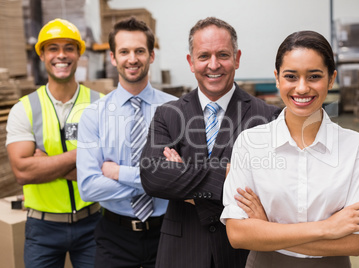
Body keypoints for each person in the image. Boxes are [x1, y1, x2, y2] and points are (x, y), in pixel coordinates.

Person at [220, 30, 359, 268]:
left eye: (314, 76)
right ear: (277, 78)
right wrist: (328, 228)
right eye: (291, 76)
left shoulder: (357, 148)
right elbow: (238, 235)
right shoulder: (250, 144)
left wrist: (267, 231)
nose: (302, 88)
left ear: (332, 78)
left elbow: (354, 243)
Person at [140, 17, 281, 268]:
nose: (213, 65)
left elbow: (268, 187)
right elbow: (153, 177)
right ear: (191, 61)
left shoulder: (266, 117)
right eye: (204, 55)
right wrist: (231, 177)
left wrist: (185, 182)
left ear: (237, 58)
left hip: (241, 255)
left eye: (223, 55)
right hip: (182, 253)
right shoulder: (168, 115)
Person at [76, 17, 177, 268]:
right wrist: (155, 180)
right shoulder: (93, 115)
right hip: (114, 237)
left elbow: (180, 179)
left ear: (151, 56)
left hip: (170, 232)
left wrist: (119, 173)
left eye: (140, 51)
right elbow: (89, 187)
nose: (132, 59)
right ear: (113, 57)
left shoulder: (176, 111)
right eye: (124, 52)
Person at [6, 18, 103, 268]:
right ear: (42, 55)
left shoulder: (101, 105)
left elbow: (108, 171)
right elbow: (22, 172)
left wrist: (46, 163)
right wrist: (82, 155)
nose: (61, 55)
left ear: (79, 53)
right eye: (53, 48)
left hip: (93, 224)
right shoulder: (24, 109)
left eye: (69, 47)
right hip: (42, 229)